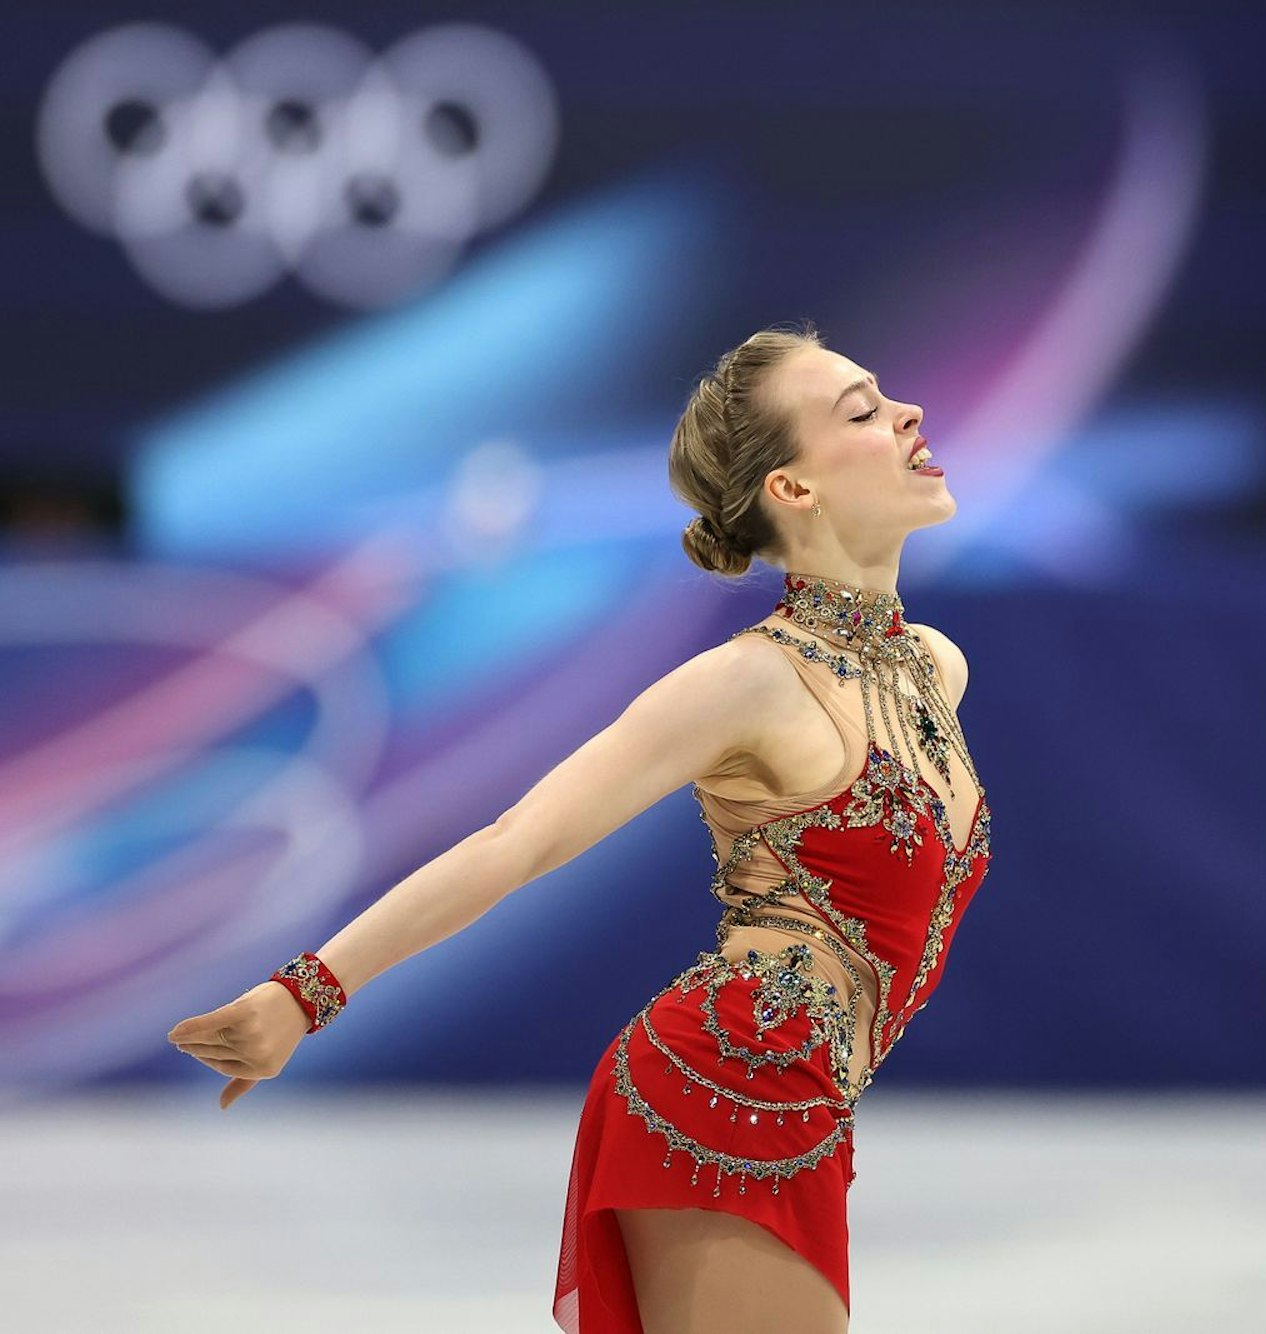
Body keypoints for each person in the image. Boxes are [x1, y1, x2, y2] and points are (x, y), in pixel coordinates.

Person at [165, 319, 996, 1334]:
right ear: (793, 488)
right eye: (861, 410)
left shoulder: (932, 668)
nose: (907, 410)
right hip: (722, 1093)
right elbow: (515, 840)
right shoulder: (747, 681)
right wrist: (304, 993)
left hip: (806, 1104)